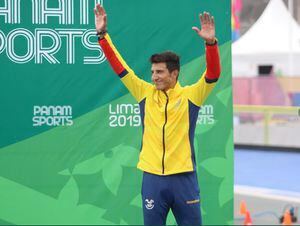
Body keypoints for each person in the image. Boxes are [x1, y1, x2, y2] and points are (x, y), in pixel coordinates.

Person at [94, 4, 221, 226]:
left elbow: (213, 74)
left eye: (160, 72)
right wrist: (102, 35)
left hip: (184, 178)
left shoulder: (192, 95)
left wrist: (210, 44)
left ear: (174, 73)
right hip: (152, 178)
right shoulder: (144, 92)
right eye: (153, 72)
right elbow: (120, 67)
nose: (154, 77)